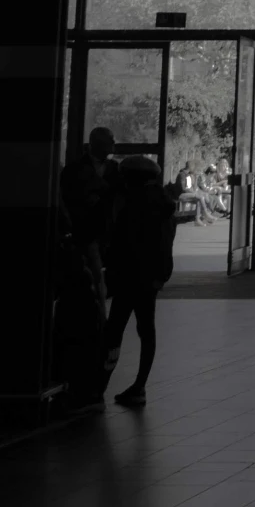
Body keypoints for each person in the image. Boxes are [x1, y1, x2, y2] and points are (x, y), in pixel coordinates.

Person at [103, 154, 177, 407]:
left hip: (129, 277)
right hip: (150, 278)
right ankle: (139, 385)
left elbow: (123, 242)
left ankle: (100, 383)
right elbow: (165, 243)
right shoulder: (163, 203)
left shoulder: (135, 204)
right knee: (146, 330)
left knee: (114, 330)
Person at [55, 126, 118, 412]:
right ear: (95, 144)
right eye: (108, 142)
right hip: (86, 237)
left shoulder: (109, 170)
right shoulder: (77, 172)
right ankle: (96, 321)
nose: (113, 145)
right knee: (89, 282)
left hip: (102, 239)